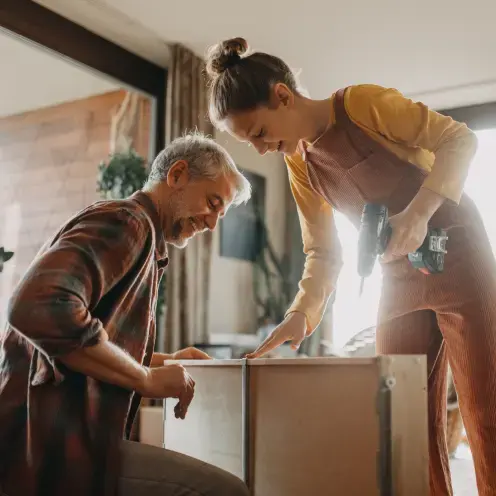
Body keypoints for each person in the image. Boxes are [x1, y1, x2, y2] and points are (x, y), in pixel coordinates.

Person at [204, 37, 496, 496]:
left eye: (259, 133)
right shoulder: (299, 165)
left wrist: (418, 214)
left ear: (283, 96)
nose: (261, 150)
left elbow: (459, 139)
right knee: (402, 420)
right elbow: (322, 250)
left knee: (486, 414)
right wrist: (299, 317)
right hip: (398, 271)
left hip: (456, 247)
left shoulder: (360, 104)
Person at [0, 132, 251, 496]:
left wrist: (162, 361)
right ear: (177, 175)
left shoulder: (141, 234)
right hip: (47, 446)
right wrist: (146, 378)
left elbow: (87, 345)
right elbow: (35, 306)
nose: (212, 224)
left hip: (60, 440)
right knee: (226, 491)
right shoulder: (129, 222)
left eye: (220, 214)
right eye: (212, 203)